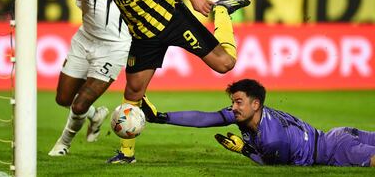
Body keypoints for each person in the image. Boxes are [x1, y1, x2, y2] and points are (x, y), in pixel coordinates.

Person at [74, 0, 250, 163]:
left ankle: (222, 10)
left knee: (225, 64)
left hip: (173, 21)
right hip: (143, 37)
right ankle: (126, 154)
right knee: (133, 91)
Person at [41, 0, 131, 156]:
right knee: (64, 99)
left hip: (114, 46)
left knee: (80, 102)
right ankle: (95, 115)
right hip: (85, 39)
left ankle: (63, 144)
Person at [146, 79, 375, 167]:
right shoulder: (247, 115)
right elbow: (205, 118)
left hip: (336, 150)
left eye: (238, 102)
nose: (233, 107)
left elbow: (276, 167)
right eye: (232, 102)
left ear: (255, 104)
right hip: (337, 135)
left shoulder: (272, 138)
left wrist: (245, 150)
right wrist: (162, 116)